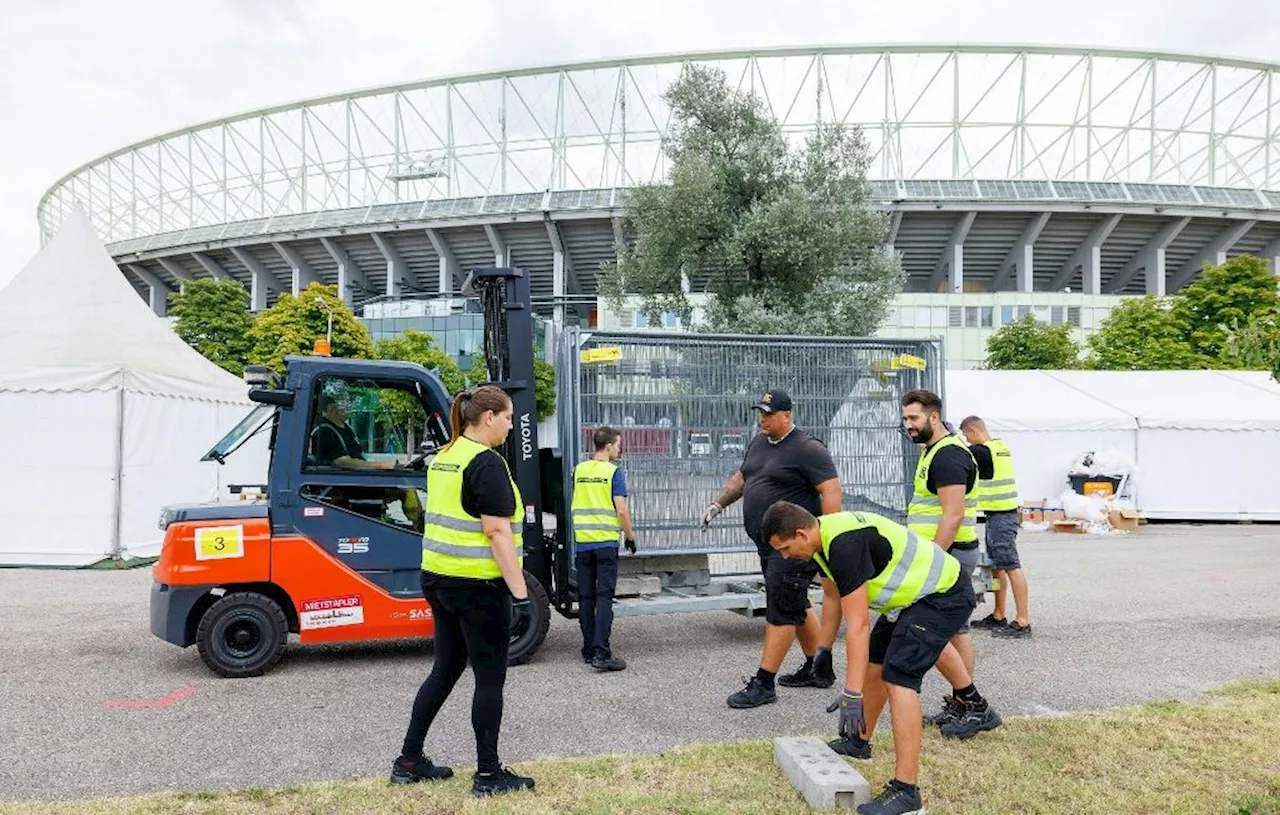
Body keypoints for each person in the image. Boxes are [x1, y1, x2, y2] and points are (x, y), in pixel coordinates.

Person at [760, 501, 1002, 815]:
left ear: (802, 533)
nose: (785, 556)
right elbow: (834, 599)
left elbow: (858, 624)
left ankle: (906, 794)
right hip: (911, 599)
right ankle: (858, 743)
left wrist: (851, 693)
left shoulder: (844, 543)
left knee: (899, 676)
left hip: (942, 594)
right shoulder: (822, 541)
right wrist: (822, 650)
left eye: (785, 547)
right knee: (876, 662)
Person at [390, 385, 535, 797]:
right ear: (488, 418)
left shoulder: (444, 458)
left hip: (438, 578)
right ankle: (489, 775)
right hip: (477, 586)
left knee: (445, 669)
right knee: (489, 680)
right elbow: (496, 531)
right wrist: (520, 592)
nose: (511, 425)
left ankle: (409, 760)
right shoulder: (486, 463)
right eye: (508, 417)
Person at [700, 389, 844, 708]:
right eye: (760, 412)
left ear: (786, 415)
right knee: (795, 603)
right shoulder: (759, 443)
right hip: (770, 546)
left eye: (768, 413)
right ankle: (818, 668)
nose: (762, 418)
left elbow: (831, 491)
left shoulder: (808, 448)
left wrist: (831, 537)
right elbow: (742, 477)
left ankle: (764, 683)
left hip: (796, 546)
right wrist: (717, 503)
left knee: (780, 610)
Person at [900, 388, 992, 730]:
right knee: (956, 631)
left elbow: (952, 515)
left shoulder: (948, 456)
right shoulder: (934, 451)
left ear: (934, 417)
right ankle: (962, 703)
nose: (908, 424)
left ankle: (970, 705)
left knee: (939, 631)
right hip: (946, 554)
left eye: (914, 418)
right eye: (905, 418)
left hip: (948, 556)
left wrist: (932, 559)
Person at [960, 416, 1032, 638]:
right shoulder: (999, 446)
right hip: (1000, 514)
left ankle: (1022, 621)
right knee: (997, 565)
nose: (966, 439)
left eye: (966, 435)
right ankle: (999, 614)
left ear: (973, 431)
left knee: (1010, 564)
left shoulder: (982, 451)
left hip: (1002, 516)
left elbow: (957, 452)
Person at [571, 426, 636, 672]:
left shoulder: (579, 470)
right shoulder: (613, 473)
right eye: (618, 445)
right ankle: (602, 652)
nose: (620, 449)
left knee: (586, 598)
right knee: (604, 598)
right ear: (608, 446)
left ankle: (588, 649)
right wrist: (629, 537)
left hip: (584, 544)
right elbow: (621, 509)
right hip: (606, 544)